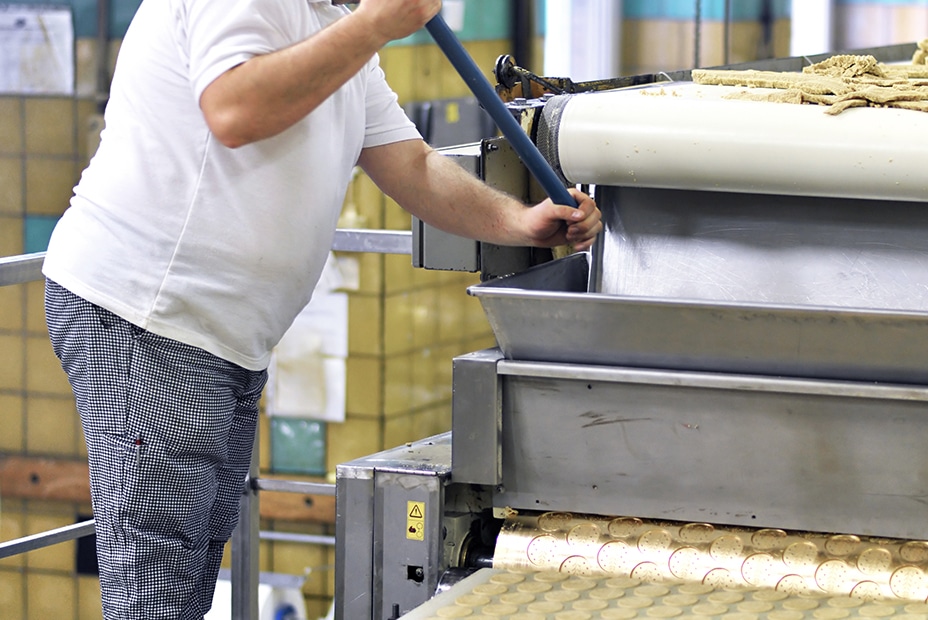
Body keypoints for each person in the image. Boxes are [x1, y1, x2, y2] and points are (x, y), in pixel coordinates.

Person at [41, 0, 602, 617]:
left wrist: (521, 223)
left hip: (223, 334)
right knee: (156, 581)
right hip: (150, 313)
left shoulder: (333, 22)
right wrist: (375, 25)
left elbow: (411, 165)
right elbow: (233, 109)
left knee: (190, 566)